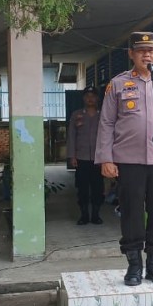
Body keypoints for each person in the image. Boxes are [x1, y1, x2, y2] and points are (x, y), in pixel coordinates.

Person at [95, 32, 153, 286]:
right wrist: (106, 158)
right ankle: (134, 265)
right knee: (132, 213)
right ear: (131, 54)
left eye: (150, 50)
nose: (146, 54)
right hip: (129, 161)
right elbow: (106, 123)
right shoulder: (117, 84)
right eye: (140, 50)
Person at [67, 85, 104, 225]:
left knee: (98, 188)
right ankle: (84, 215)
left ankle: (95, 215)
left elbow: (108, 136)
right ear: (83, 98)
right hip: (81, 158)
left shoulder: (103, 115)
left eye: (93, 96)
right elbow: (71, 136)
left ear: (97, 98)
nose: (90, 99)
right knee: (82, 188)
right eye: (87, 96)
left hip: (99, 159)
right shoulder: (77, 115)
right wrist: (72, 155)